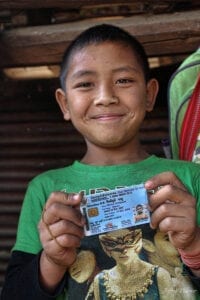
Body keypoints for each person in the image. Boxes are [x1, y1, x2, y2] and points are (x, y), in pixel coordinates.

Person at [1, 24, 200, 300]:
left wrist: (194, 247)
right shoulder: (46, 190)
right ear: (65, 104)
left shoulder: (191, 180)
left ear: (150, 94)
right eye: (85, 84)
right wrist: (53, 261)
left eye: (124, 81)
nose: (106, 97)